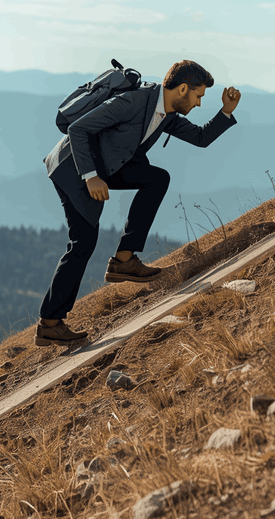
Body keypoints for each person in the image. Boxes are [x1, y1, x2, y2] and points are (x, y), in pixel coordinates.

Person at [35, 60, 241, 348]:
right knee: (83, 242)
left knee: (157, 179)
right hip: (74, 167)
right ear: (182, 89)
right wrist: (91, 177)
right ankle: (50, 324)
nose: (197, 103)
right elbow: (78, 130)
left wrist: (226, 112)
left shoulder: (166, 113)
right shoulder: (133, 101)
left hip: (108, 165)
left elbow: (200, 137)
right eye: (198, 96)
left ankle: (124, 261)